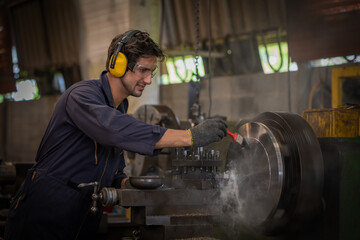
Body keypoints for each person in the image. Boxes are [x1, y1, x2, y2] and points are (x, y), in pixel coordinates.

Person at [4, 30, 227, 240]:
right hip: (44, 216)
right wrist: (189, 137)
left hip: (82, 218)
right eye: (143, 70)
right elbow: (114, 129)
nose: (149, 80)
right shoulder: (81, 96)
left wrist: (127, 185)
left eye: (152, 72)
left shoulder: (118, 109)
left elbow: (111, 167)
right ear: (117, 64)